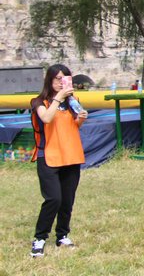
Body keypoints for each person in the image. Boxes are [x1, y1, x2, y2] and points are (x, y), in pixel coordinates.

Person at [29, 64, 88, 257]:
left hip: (70, 156)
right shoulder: (39, 102)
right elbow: (46, 118)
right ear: (49, 80)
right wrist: (58, 98)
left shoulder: (72, 102)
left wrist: (81, 117)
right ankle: (39, 238)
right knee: (53, 199)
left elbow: (73, 126)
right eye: (57, 79)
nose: (60, 82)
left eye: (64, 79)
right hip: (48, 156)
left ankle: (62, 235)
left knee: (67, 200)